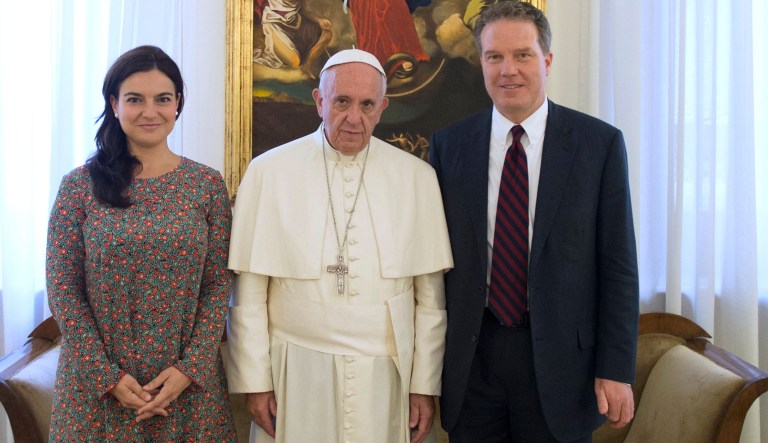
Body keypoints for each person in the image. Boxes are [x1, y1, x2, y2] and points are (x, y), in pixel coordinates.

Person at [429, 2, 639, 442]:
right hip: (473, 364)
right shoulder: (449, 147)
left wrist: (616, 369)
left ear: (546, 60)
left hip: (564, 367)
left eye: (522, 55)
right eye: (494, 56)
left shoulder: (597, 146)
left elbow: (619, 267)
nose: (508, 70)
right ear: (480, 62)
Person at [226, 48, 453, 443]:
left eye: (367, 105)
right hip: (294, 368)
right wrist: (255, 381)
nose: (354, 118)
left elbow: (430, 298)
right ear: (319, 101)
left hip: (388, 373)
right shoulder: (268, 171)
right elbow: (248, 291)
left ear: (382, 107)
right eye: (342, 101)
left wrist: (424, 385)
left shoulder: (417, 177)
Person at [46, 45, 236, 441]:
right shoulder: (79, 187)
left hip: (187, 390)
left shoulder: (206, 185)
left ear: (178, 104)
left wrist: (190, 369)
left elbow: (218, 286)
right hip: (97, 391)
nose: (150, 111)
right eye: (135, 99)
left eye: (162, 99)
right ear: (114, 104)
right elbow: (63, 290)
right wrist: (108, 377)